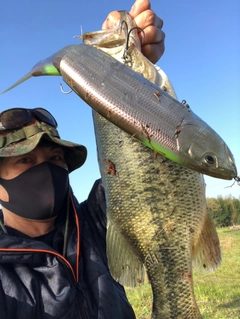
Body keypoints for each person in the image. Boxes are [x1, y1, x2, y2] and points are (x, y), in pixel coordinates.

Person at [0, 1, 165, 318]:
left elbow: (140, 166)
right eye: (25, 161)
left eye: (55, 156)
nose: (46, 168)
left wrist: (135, 82)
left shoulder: (99, 222)